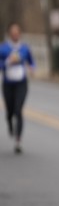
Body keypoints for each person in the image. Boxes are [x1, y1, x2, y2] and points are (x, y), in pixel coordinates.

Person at [1, 24, 35, 154]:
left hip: (21, 83)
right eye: (13, 33)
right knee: (10, 110)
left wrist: (32, 68)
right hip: (8, 84)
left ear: (19, 34)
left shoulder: (24, 48)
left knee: (18, 109)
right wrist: (7, 62)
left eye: (17, 33)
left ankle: (18, 141)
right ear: (10, 34)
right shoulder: (3, 48)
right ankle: (9, 121)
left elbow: (31, 61)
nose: (15, 35)